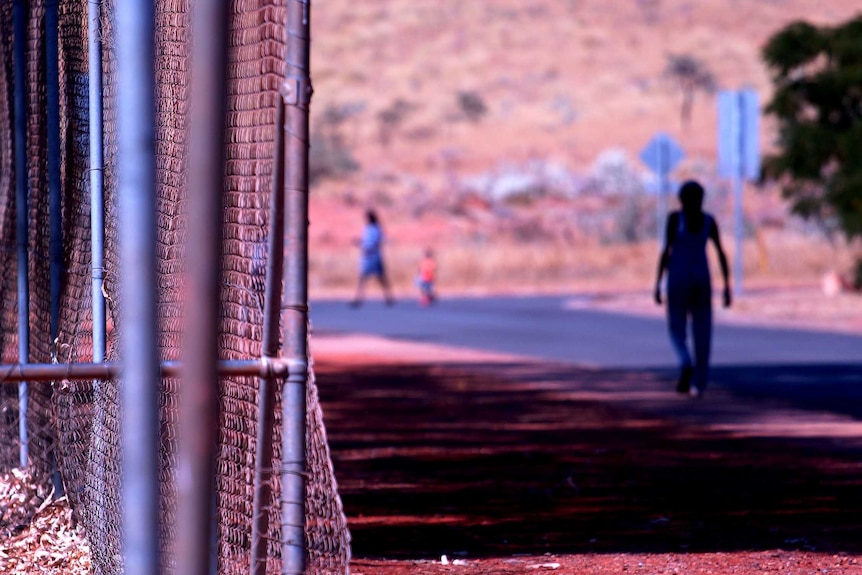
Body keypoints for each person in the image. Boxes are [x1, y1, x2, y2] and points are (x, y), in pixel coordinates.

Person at [654, 180, 731, 398]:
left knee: (676, 326)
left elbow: (665, 252)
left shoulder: (674, 220)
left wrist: (658, 284)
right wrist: (727, 286)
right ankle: (700, 384)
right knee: (703, 330)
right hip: (702, 278)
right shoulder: (709, 221)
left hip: (678, 277)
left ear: (681, 199)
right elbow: (721, 253)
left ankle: (684, 360)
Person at [350, 209, 394, 307]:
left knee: (381, 278)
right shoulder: (366, 229)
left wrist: (370, 248)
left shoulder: (377, 228)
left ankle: (388, 297)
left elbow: (378, 241)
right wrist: (358, 242)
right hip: (366, 256)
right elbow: (365, 241)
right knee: (362, 278)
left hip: (374, 256)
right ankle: (358, 298)